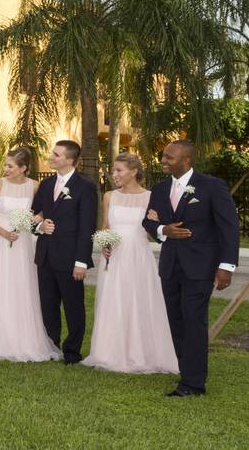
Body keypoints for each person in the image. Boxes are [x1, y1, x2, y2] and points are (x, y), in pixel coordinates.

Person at [142, 140, 239, 396]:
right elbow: (149, 221)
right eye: (163, 156)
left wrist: (226, 266)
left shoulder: (211, 186)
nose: (163, 160)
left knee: (193, 320)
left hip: (200, 267)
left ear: (187, 160)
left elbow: (228, 228)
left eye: (169, 158)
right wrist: (164, 230)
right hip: (170, 266)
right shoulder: (161, 188)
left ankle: (193, 383)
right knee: (176, 320)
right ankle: (186, 371)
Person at [83, 153, 177, 374]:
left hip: (137, 255)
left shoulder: (150, 197)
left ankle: (140, 352)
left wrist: (156, 220)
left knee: (138, 300)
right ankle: (109, 352)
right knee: (114, 300)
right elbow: (106, 225)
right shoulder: (109, 196)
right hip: (114, 256)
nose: (113, 174)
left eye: (118, 170)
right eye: (113, 170)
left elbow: (158, 230)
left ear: (133, 172)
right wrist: (104, 242)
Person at [0, 147, 59, 362]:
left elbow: (44, 210)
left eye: (10, 166)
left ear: (24, 168)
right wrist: (4, 233)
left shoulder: (35, 187)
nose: (5, 169)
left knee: (20, 286)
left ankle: (21, 338)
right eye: (5, 165)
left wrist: (35, 219)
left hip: (22, 243)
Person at [31, 140, 97, 365]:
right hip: (46, 255)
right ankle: (51, 346)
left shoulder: (85, 187)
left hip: (70, 258)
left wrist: (81, 261)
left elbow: (87, 226)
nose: (51, 157)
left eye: (56, 155)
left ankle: (72, 351)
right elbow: (33, 216)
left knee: (73, 305)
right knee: (47, 303)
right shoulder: (47, 185)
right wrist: (40, 227)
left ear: (70, 160)